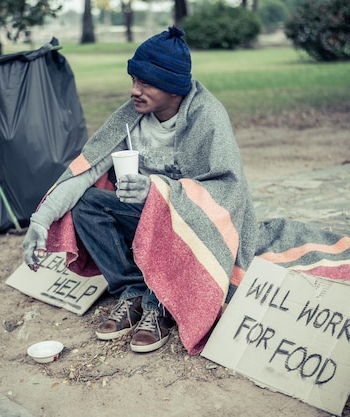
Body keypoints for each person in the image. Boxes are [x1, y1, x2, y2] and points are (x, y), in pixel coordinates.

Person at [23, 26, 257, 355]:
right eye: (133, 80)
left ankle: (157, 307)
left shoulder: (208, 118)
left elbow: (227, 190)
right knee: (87, 203)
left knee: (160, 204)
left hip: (193, 227)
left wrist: (158, 189)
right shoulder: (132, 115)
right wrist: (41, 220)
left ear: (174, 86)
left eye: (145, 82)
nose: (135, 90)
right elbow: (87, 168)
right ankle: (131, 291)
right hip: (146, 216)